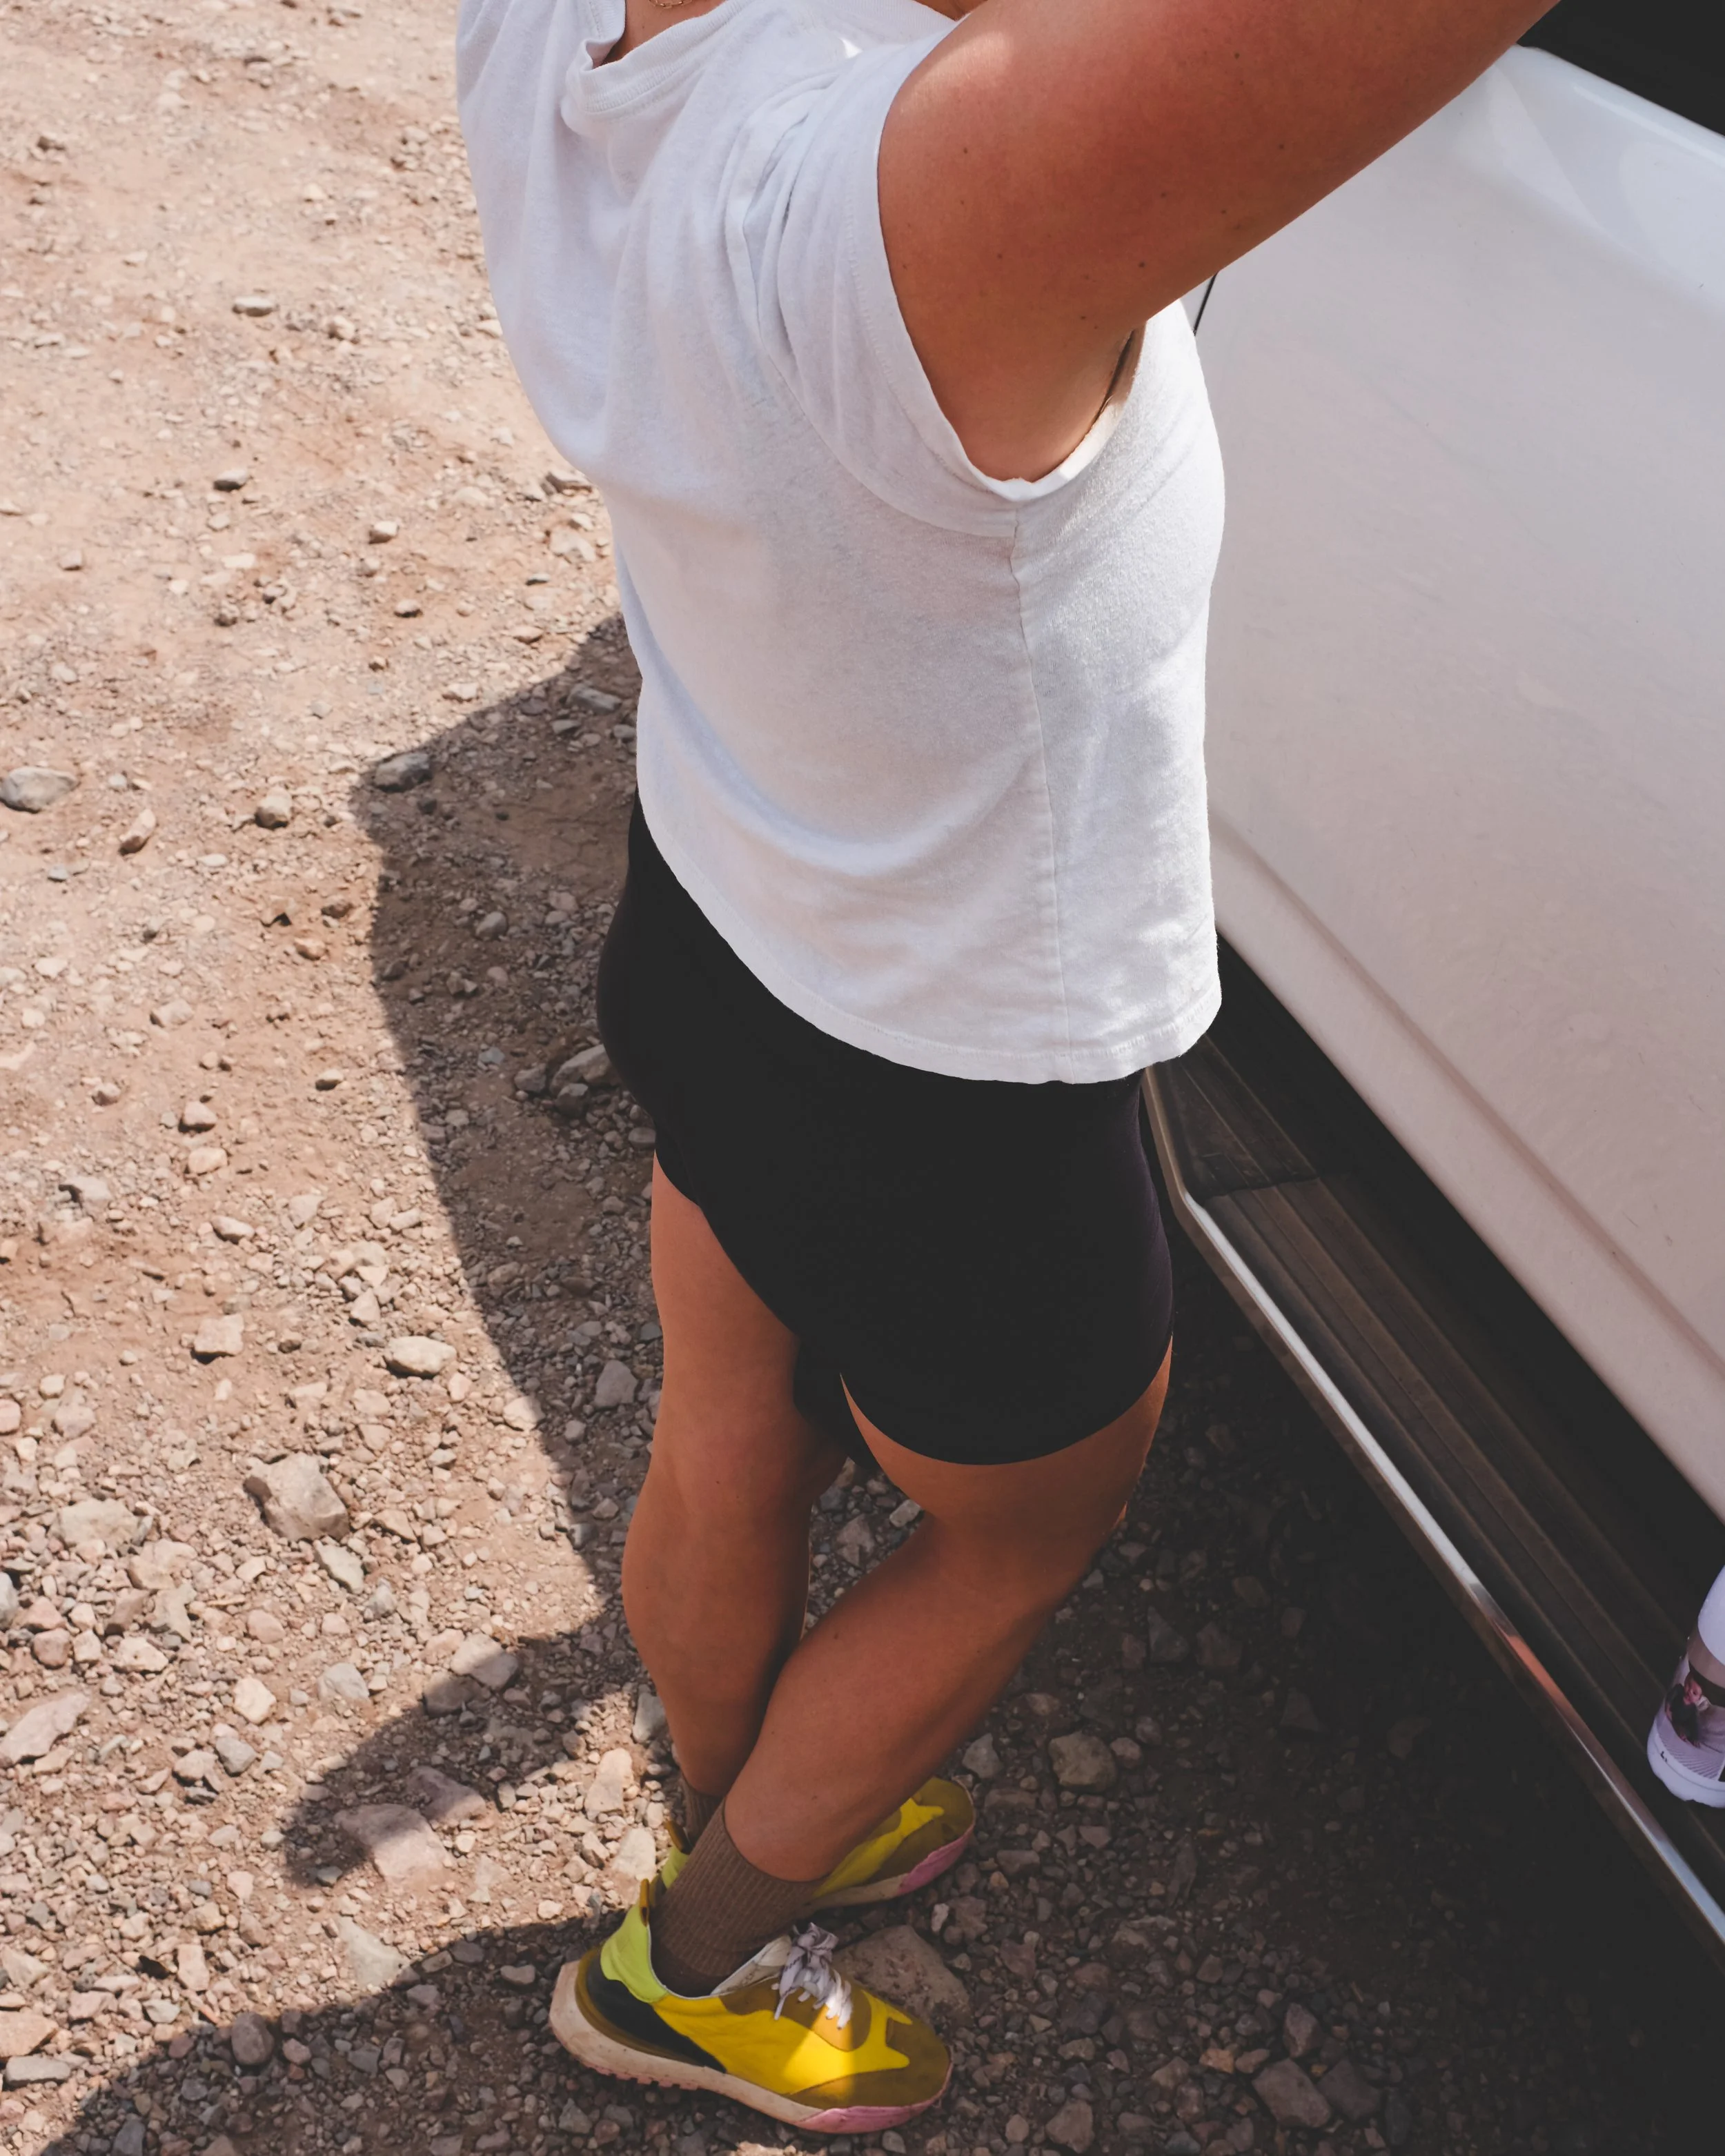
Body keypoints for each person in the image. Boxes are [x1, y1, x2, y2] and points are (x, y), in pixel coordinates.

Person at [457, 0, 1556, 2128]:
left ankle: (747, 1804)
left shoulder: (549, 36)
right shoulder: (931, 188)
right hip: (946, 1082)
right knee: (1008, 1539)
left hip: (709, 917)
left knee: (727, 1418)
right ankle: (695, 1965)